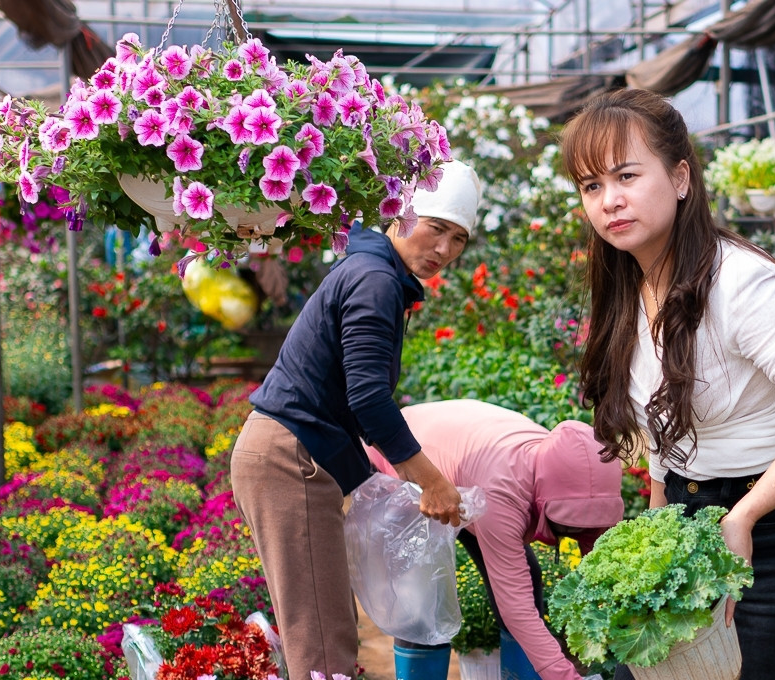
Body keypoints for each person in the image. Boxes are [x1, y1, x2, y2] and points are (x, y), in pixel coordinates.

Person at [559, 88, 775, 680]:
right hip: (688, 519)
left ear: (680, 178)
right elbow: (662, 425)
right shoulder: (629, 286)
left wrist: (743, 517)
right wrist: (655, 526)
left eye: (626, 175)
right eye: (591, 186)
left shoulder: (742, 283)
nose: (609, 201)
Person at [230, 160, 483, 678]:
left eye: (458, 238)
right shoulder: (375, 280)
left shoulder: (376, 271)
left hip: (287, 453)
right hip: (290, 458)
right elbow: (368, 398)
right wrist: (431, 481)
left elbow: (353, 395)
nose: (444, 250)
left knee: (323, 627)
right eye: (436, 228)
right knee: (322, 642)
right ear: (402, 215)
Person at [363, 399, 624, 680]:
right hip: (405, 460)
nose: (576, 534)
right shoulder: (504, 491)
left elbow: (601, 566)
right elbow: (516, 606)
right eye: (570, 524)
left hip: (466, 472)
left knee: (530, 576)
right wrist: (565, 677)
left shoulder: (583, 479)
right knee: (425, 603)